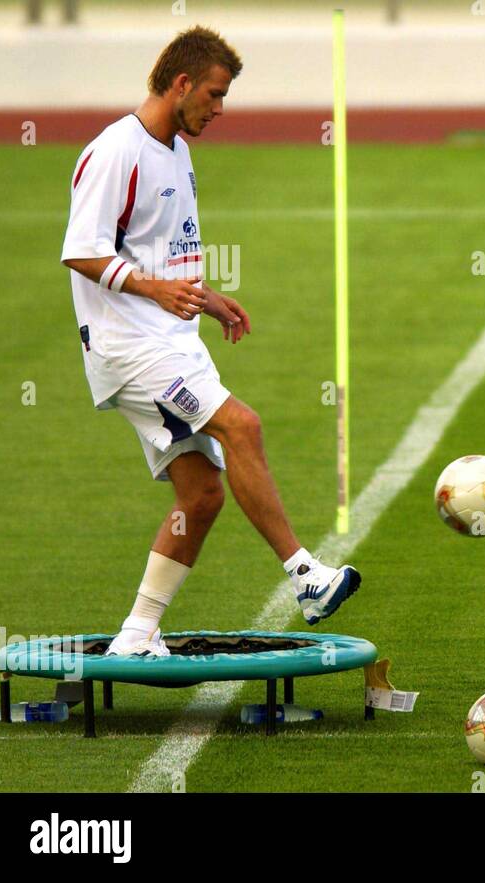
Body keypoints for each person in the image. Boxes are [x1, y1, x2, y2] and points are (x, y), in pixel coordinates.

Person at [59, 27, 360, 658]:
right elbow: (82, 252)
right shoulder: (116, 151)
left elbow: (163, 248)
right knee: (242, 426)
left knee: (201, 497)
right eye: (215, 96)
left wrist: (205, 295)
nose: (219, 110)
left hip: (166, 337)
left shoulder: (174, 148)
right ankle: (306, 575)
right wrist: (156, 291)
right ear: (181, 83)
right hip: (130, 346)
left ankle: (137, 634)